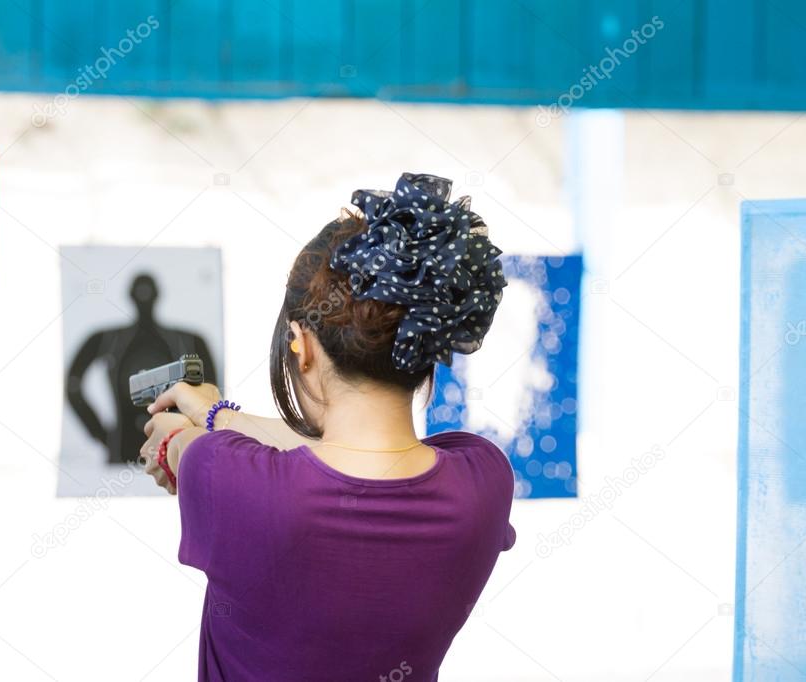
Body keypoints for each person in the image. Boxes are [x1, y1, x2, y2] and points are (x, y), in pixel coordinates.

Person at [141, 173, 515, 681]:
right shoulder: (484, 479)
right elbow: (360, 461)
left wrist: (184, 433)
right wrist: (219, 416)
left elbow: (189, 450)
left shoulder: (221, 471)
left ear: (302, 344)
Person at [66, 273, 217, 464]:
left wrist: (102, 435)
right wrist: (100, 434)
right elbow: (73, 386)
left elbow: (211, 393)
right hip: (132, 449)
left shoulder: (189, 340)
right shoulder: (186, 340)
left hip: (150, 448)